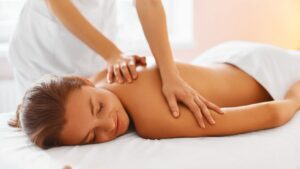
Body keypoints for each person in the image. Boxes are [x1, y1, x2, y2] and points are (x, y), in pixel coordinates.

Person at [9, 41, 300, 149]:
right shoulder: (108, 74)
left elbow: (272, 113)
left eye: (98, 108)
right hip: (227, 54)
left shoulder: (153, 121)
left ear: (83, 81)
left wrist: (293, 97)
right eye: (91, 137)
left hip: (264, 73)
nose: (108, 126)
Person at [8, 0, 218, 123]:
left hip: (97, 35)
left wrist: (171, 75)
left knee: (89, 123)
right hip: (44, 47)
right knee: (44, 125)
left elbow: (149, 3)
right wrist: (112, 54)